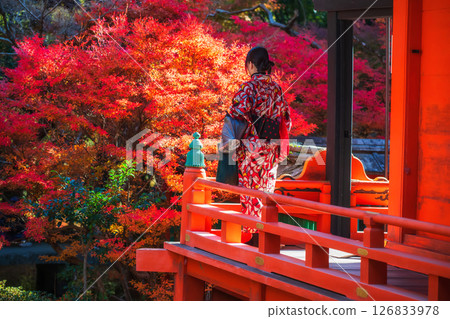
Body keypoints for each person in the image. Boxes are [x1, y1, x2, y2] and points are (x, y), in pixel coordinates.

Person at [228, 47, 291, 223]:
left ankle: (251, 232)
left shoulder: (248, 88)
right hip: (271, 149)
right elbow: (286, 121)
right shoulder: (277, 89)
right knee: (266, 191)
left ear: (250, 65)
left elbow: (236, 116)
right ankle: (265, 231)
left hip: (251, 149)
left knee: (249, 191)